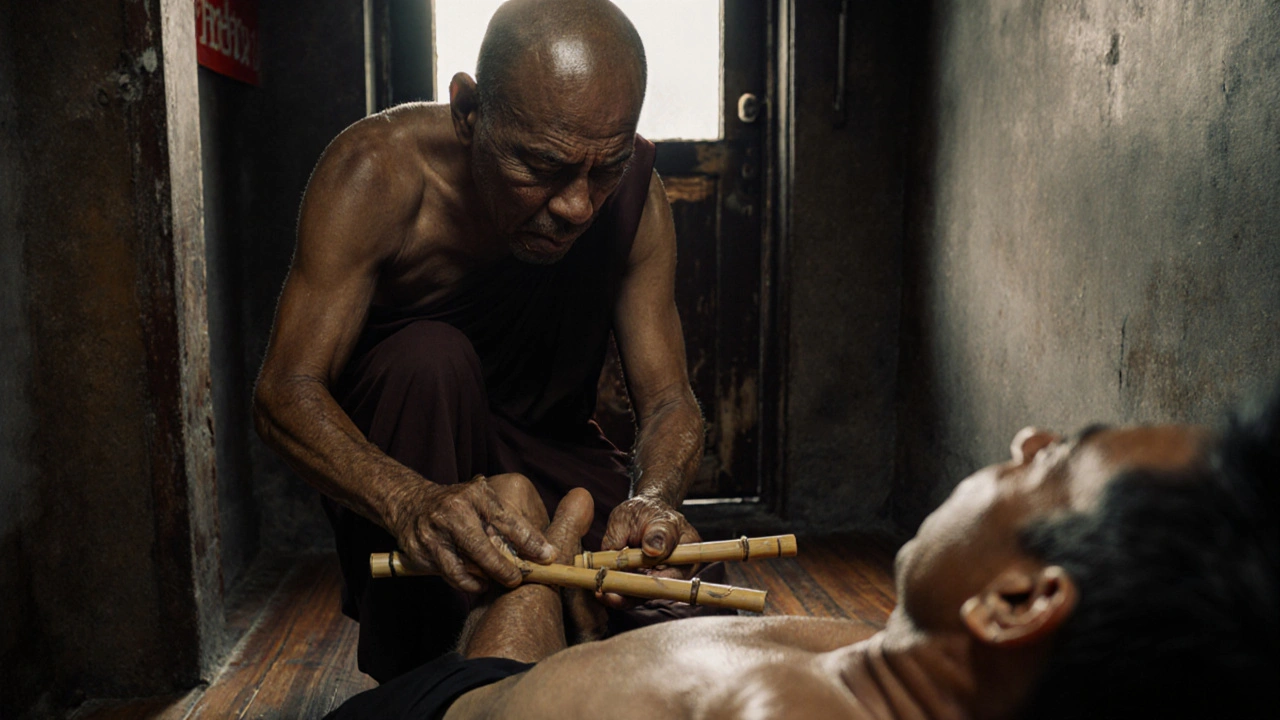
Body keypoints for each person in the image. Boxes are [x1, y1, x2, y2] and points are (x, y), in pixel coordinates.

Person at [326, 383, 1279, 719]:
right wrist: (660, 625)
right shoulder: (905, 661)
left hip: (434, 713)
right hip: (496, 684)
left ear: (1019, 604)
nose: (1029, 437)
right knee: (547, 524)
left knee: (537, 535)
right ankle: (561, 532)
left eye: (1059, 458)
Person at [252, 0, 713, 683]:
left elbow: (671, 400)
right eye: (542, 167)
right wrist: (409, 500)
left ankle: (545, 583)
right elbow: (283, 392)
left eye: (604, 169)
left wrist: (655, 500)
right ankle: (436, 660)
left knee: (683, 608)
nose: (577, 208)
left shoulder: (635, 203)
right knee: (426, 358)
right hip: (417, 449)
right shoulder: (377, 174)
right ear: (468, 113)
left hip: (552, 448)